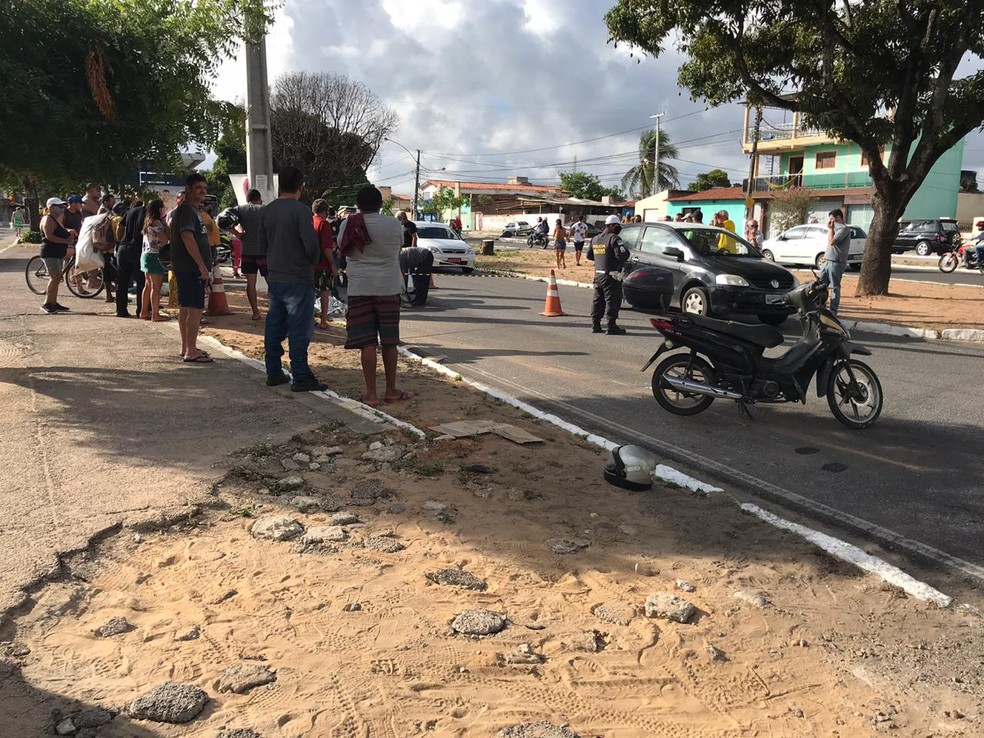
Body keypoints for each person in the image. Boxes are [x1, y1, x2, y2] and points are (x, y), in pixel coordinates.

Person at [338, 185, 409, 408]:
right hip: (388, 288)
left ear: (358, 205)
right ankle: (391, 390)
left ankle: (370, 394)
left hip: (360, 288)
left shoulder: (348, 223)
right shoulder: (394, 224)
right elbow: (398, 248)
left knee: (367, 342)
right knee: (389, 341)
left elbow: (341, 247)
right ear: (380, 204)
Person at [259, 166, 326, 391]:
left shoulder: (267, 211)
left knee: (274, 325)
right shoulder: (301, 210)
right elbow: (310, 246)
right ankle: (301, 375)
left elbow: (261, 245)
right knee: (299, 329)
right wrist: (314, 257)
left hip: (276, 277)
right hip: (298, 278)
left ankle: (273, 371)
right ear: (301, 186)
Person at [169, 173, 213, 362]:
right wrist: (201, 265)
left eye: (204, 187)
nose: (202, 191)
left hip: (188, 267)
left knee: (186, 308)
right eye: (198, 187)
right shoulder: (186, 210)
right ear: (188, 189)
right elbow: (188, 237)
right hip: (190, 267)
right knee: (195, 308)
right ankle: (191, 351)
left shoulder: (193, 210)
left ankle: (187, 346)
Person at [226, 188, 265, 320]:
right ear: (259, 199)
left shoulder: (240, 209)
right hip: (264, 251)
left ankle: (255, 312)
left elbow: (223, 220)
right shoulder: (264, 209)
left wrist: (237, 233)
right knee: (272, 282)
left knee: (250, 283)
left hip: (247, 251)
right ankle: (276, 311)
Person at [587, 214, 629, 335]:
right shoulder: (614, 238)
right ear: (611, 226)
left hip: (598, 275)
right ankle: (611, 326)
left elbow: (589, 255)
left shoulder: (595, 239)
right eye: (617, 226)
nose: (618, 228)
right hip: (611, 276)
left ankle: (595, 324)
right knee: (613, 300)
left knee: (598, 300)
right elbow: (622, 254)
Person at [39, 198, 76, 313]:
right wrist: (65, 241)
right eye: (59, 206)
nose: (62, 209)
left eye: (62, 206)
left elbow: (61, 230)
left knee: (57, 277)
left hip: (58, 253)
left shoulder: (57, 219)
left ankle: (53, 302)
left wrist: (69, 233)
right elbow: (49, 236)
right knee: (54, 277)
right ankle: (47, 303)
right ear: (50, 207)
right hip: (50, 252)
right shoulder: (48, 219)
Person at [139, 199, 169, 321]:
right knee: (156, 286)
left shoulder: (148, 222)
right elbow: (165, 240)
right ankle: (155, 314)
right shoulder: (157, 223)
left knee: (148, 285)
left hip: (146, 255)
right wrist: (166, 226)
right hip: (155, 256)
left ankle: (144, 311)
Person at [114, 199, 146, 318]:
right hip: (138, 248)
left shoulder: (128, 213)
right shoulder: (146, 212)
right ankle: (141, 310)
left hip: (123, 247)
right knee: (141, 281)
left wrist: (119, 240)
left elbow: (119, 227)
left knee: (122, 282)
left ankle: (121, 310)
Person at [311, 198, 338, 330]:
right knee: (325, 292)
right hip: (323, 264)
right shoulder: (324, 224)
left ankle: (310, 318)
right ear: (326, 211)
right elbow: (327, 247)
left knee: (310, 292)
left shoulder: (310, 221)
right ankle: (323, 320)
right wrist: (333, 264)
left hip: (310, 263)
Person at [820, 209, 850, 315]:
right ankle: (820, 307)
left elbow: (832, 242)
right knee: (821, 285)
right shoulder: (833, 228)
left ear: (838, 217)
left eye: (832, 218)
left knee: (834, 287)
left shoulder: (844, 229)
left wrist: (831, 229)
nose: (830, 221)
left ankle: (833, 311)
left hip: (836, 262)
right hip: (827, 261)